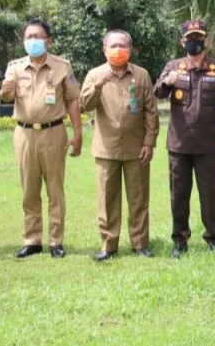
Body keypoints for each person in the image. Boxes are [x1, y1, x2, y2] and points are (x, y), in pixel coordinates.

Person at [0, 18, 83, 259]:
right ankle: (32, 239)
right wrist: (6, 90)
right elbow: (5, 97)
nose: (32, 41)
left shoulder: (62, 66)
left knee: (55, 188)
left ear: (49, 40)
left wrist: (77, 135)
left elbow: (72, 101)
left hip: (53, 132)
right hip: (24, 133)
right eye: (28, 37)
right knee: (29, 188)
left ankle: (56, 241)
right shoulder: (14, 67)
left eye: (37, 37)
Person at [154, 20, 215, 258]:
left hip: (209, 145)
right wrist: (166, 82)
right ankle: (180, 241)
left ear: (206, 40)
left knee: (210, 194)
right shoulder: (173, 66)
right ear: (182, 42)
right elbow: (157, 92)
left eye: (198, 37)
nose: (194, 42)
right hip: (179, 146)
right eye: (190, 37)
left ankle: (213, 239)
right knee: (179, 194)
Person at [80, 30, 160, 261]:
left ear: (130, 49)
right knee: (107, 199)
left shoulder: (141, 75)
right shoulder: (95, 74)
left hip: (137, 148)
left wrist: (149, 142)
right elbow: (84, 104)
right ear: (104, 50)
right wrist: (98, 86)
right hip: (106, 148)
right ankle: (108, 245)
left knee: (138, 198)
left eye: (123, 45)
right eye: (113, 46)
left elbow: (151, 112)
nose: (118, 50)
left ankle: (140, 244)